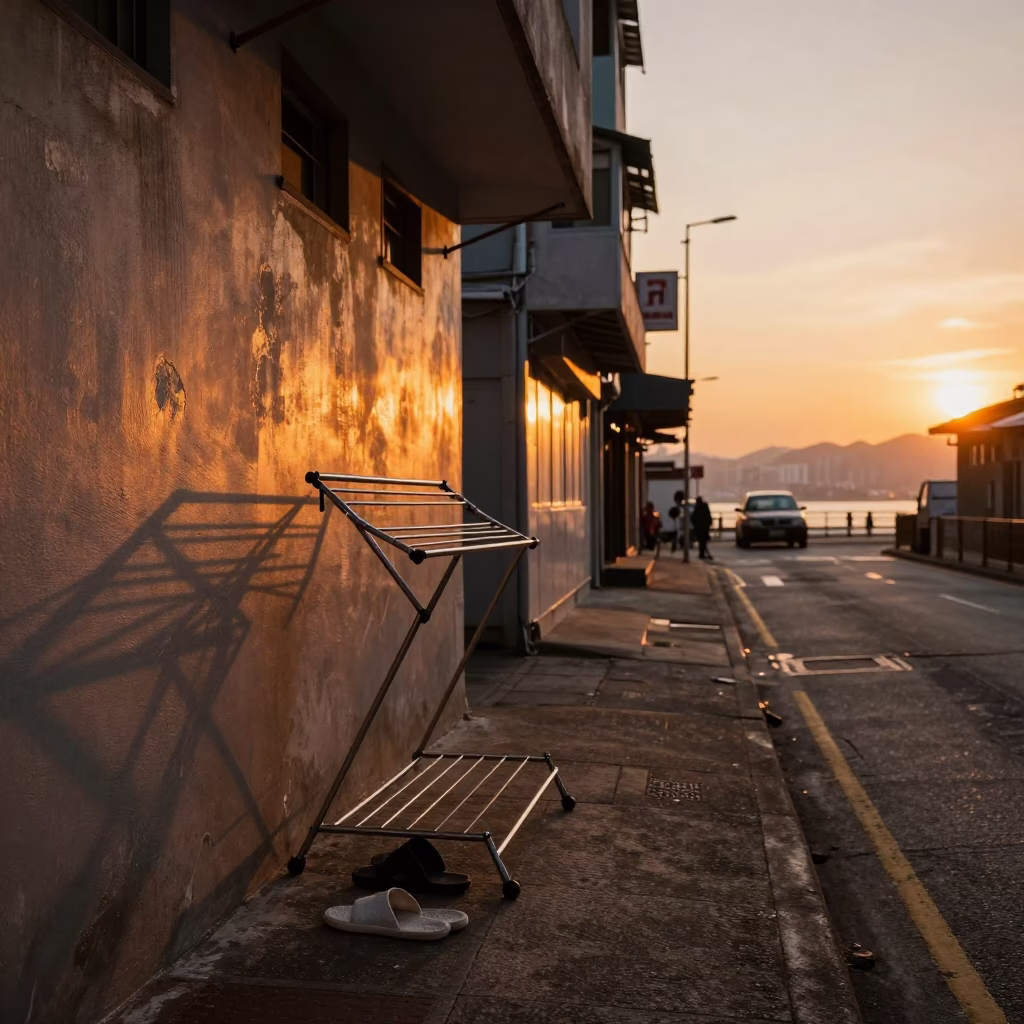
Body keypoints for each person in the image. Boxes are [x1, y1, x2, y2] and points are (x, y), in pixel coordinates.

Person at [692, 495, 713, 560]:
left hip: (700, 527)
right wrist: (709, 523)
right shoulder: (704, 507)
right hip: (704, 527)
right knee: (703, 541)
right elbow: (708, 515)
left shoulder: (697, 508)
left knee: (702, 541)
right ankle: (702, 553)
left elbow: (693, 518)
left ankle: (702, 554)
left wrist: (695, 525)